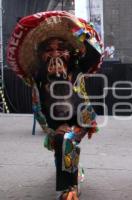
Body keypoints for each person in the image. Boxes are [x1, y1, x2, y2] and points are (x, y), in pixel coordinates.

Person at [7, 11, 103, 200]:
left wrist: (77, 30)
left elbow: (95, 52)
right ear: (41, 55)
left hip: (81, 118)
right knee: (62, 142)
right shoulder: (38, 77)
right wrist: (51, 129)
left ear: (70, 52)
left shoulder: (78, 66)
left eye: (61, 49)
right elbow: (37, 107)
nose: (55, 54)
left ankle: (69, 189)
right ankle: (70, 169)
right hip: (55, 122)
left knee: (67, 141)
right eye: (49, 50)